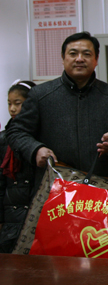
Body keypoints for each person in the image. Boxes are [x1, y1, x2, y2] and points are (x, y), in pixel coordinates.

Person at [7, 32, 108, 185]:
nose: (79, 59)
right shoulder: (40, 94)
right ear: (63, 58)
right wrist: (36, 149)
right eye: (73, 54)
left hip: (101, 185)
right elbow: (16, 132)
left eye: (86, 54)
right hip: (54, 185)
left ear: (96, 59)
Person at [0, 81, 36, 253]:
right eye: (9, 104)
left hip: (36, 213)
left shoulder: (43, 136)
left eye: (17, 103)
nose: (12, 109)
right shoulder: (4, 139)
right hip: (11, 217)